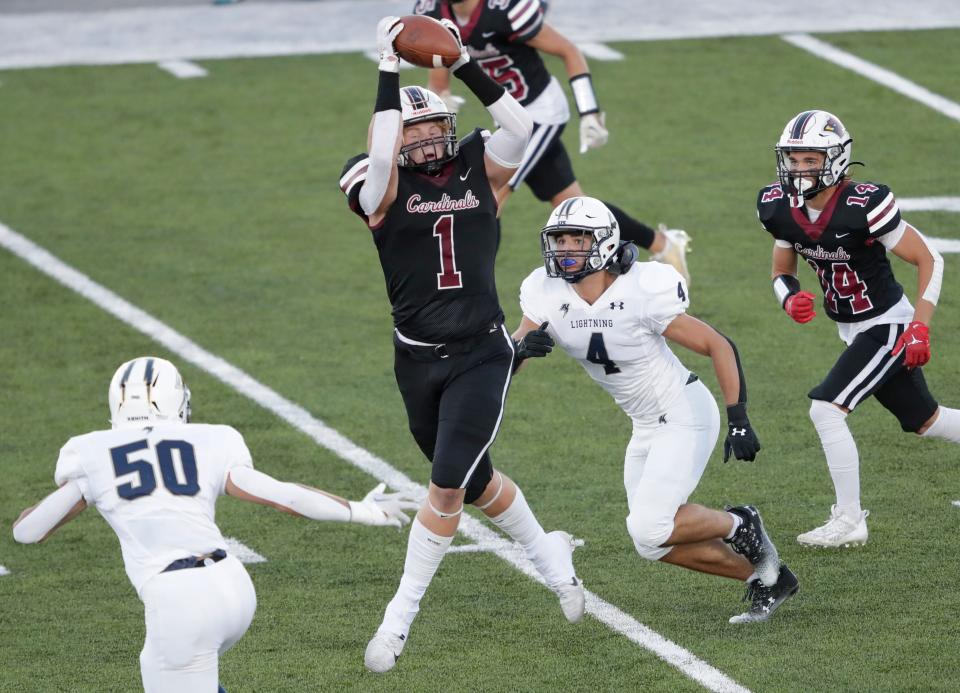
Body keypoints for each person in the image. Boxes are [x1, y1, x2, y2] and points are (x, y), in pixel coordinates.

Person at [339, 17, 585, 674]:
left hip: (481, 350)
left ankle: (394, 625)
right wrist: (389, 67)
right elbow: (382, 162)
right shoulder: (376, 182)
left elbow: (524, 128)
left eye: (431, 127)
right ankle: (551, 556)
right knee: (475, 480)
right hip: (415, 360)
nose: (423, 138)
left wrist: (466, 57)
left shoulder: (478, 163)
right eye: (410, 128)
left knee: (444, 485)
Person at [12, 356, 417, 693]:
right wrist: (363, 510)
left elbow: (27, 532)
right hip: (234, 589)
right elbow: (285, 497)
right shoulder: (211, 438)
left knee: (181, 670)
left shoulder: (90, 451)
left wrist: (84, 485)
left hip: (178, 601)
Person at [512, 196, 800, 624]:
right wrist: (517, 352)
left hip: (684, 412)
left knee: (649, 526)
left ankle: (741, 524)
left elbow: (717, 344)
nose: (567, 249)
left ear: (606, 243)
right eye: (560, 239)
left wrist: (738, 417)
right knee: (652, 543)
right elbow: (505, 356)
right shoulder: (545, 291)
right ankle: (767, 577)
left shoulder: (642, 289)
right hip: (644, 423)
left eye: (578, 239)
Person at [759, 109, 959, 547]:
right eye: (793, 160)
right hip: (851, 328)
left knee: (826, 409)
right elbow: (781, 269)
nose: (798, 169)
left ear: (835, 159)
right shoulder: (778, 207)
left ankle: (849, 520)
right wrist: (788, 297)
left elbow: (929, 258)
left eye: (810, 160)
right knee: (928, 420)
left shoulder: (863, 204)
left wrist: (919, 328)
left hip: (888, 324)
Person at [412, 0, 692, 283]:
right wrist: (441, 105)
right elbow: (439, 76)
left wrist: (589, 112)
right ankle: (663, 244)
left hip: (540, 114)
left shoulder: (504, 11)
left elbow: (569, 51)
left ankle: (473, 287)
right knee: (575, 204)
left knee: (491, 193)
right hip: (508, 119)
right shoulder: (432, 11)